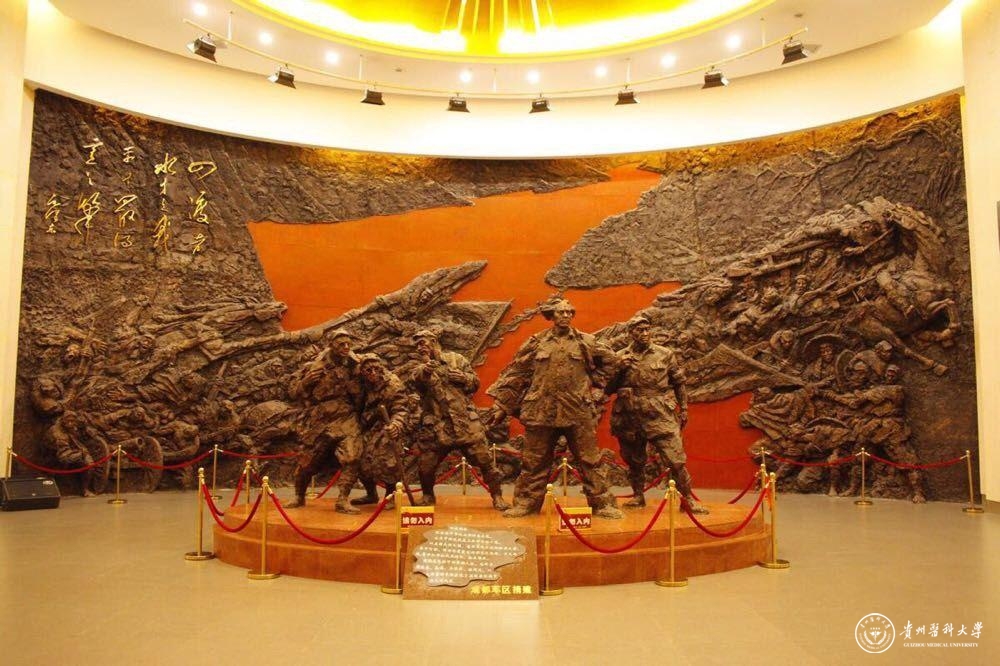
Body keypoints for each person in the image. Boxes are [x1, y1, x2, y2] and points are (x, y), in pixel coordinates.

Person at [488, 299, 622, 519]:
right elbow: (517, 372)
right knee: (534, 461)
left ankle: (602, 504)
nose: (566, 315)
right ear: (551, 316)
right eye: (561, 312)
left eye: (569, 312)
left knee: (590, 460)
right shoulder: (536, 343)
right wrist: (502, 404)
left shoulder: (586, 342)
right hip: (541, 410)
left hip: (577, 410)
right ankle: (526, 504)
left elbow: (613, 362)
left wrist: (598, 387)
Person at [606, 316, 708, 513]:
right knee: (634, 460)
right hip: (628, 414)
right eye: (640, 330)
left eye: (647, 329)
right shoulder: (620, 356)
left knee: (675, 459)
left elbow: (679, 383)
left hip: (658, 412)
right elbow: (608, 389)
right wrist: (618, 368)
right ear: (631, 333)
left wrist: (684, 408)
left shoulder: (665, 354)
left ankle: (688, 499)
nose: (645, 334)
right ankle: (638, 496)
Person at [405, 330, 509, 510]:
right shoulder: (418, 367)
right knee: (426, 464)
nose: (420, 347)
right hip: (437, 423)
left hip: (464, 421)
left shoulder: (456, 359)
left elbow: (475, 383)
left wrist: (465, 378)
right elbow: (415, 381)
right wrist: (426, 371)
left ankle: (497, 496)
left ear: (434, 341)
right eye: (417, 345)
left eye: (423, 342)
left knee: (484, 460)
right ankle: (428, 496)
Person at [286, 329, 365, 514]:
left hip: (346, 416)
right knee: (307, 461)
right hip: (322, 417)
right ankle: (299, 496)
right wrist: (305, 383)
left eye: (348, 344)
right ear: (331, 346)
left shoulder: (355, 365)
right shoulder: (313, 367)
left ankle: (343, 499)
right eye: (341, 344)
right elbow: (292, 392)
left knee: (352, 457)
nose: (346, 347)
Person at [354, 354, 410, 509]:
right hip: (367, 426)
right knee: (356, 455)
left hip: (387, 425)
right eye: (368, 370)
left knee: (388, 457)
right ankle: (371, 494)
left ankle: (391, 494)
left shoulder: (393, 384)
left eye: (375, 369)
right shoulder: (361, 384)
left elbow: (401, 409)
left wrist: (396, 425)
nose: (373, 373)